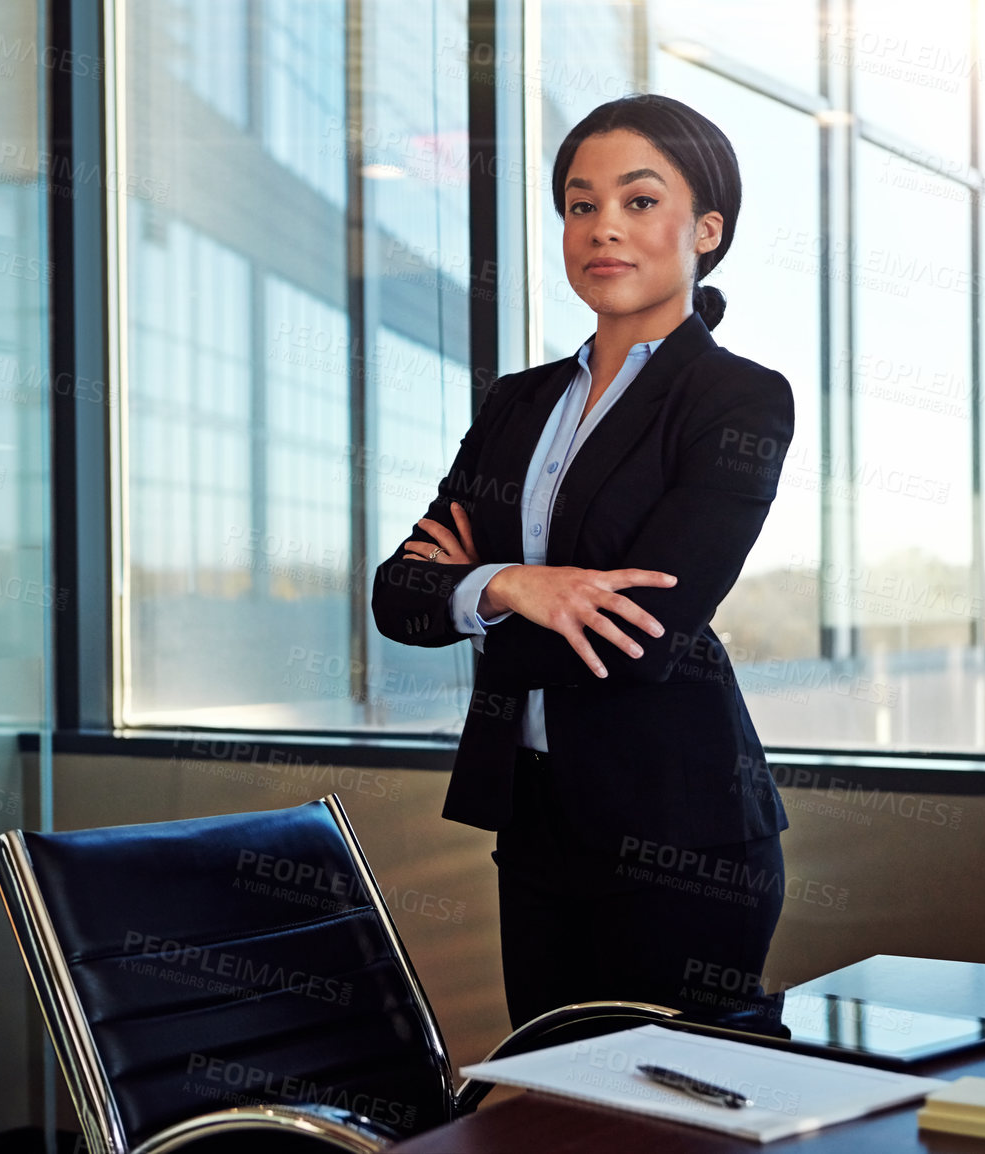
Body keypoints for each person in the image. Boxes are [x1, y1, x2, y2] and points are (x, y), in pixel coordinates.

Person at [370, 94, 795, 1029]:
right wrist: (517, 585)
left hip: (683, 835)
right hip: (533, 826)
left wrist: (467, 594)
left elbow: (640, 634)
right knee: (550, 1112)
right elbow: (396, 596)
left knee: (671, 1119)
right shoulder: (518, 404)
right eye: (579, 204)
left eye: (640, 202)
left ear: (707, 229)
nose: (603, 228)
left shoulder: (737, 399)